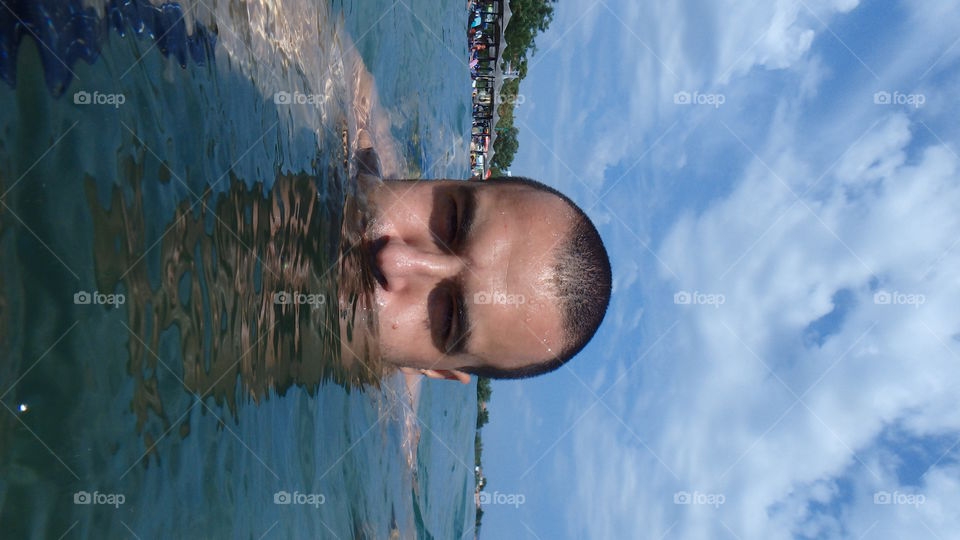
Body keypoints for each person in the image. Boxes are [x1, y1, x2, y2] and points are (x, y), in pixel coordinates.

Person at [344, 35, 613, 393]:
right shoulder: (343, 106)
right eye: (451, 221)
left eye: (447, 319)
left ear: (436, 371)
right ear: (453, 181)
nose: (394, 259)